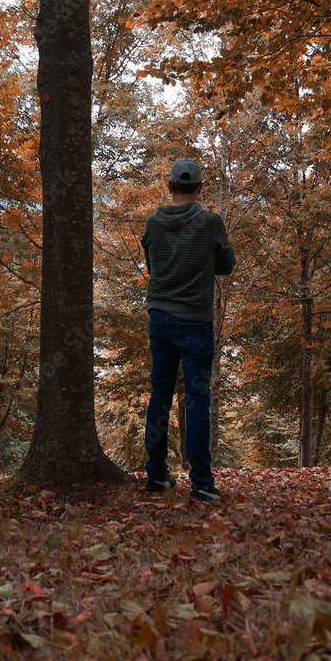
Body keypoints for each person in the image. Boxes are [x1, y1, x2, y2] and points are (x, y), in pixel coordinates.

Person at [140, 158, 235, 501]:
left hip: (159, 319)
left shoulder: (152, 223)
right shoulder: (210, 222)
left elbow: (153, 266)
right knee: (197, 401)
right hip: (195, 322)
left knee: (160, 395)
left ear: (169, 187)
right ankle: (201, 484)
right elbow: (226, 265)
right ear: (199, 188)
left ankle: (155, 476)